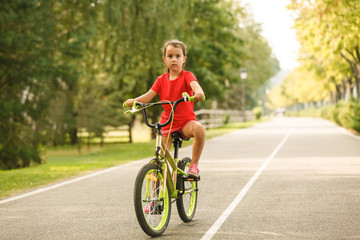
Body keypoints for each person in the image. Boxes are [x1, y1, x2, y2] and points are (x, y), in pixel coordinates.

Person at [124, 39, 205, 177]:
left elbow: (195, 86)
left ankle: (194, 165)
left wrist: (198, 92)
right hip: (167, 123)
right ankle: (155, 197)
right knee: (159, 163)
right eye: (170, 56)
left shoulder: (187, 76)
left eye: (178, 56)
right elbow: (148, 96)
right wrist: (134, 101)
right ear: (164, 59)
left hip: (185, 123)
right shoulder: (161, 80)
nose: (174, 59)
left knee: (200, 129)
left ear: (184, 59)